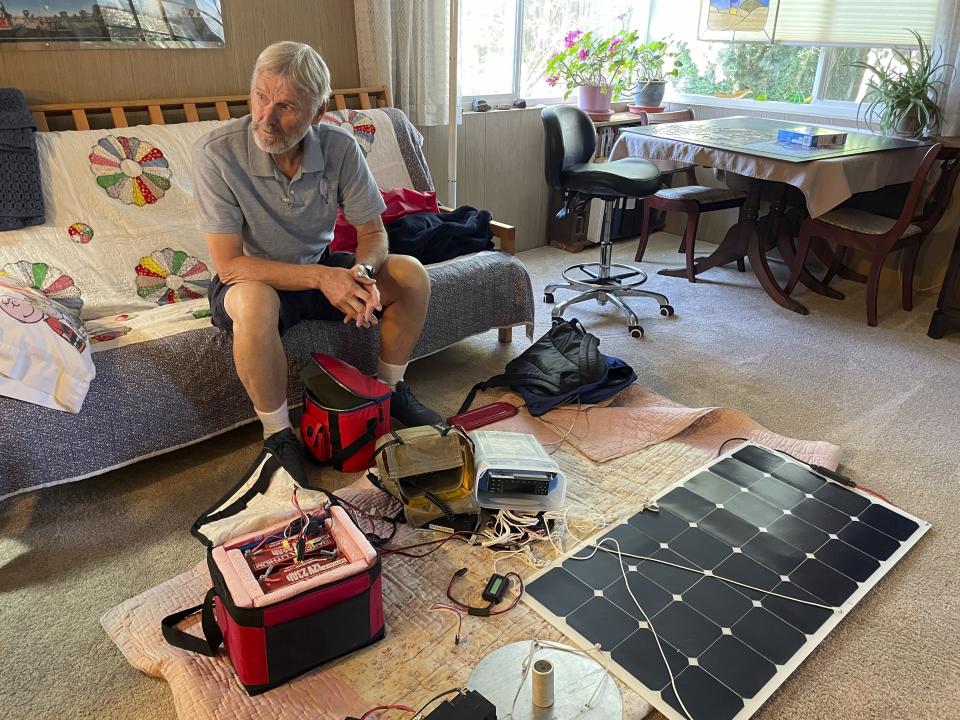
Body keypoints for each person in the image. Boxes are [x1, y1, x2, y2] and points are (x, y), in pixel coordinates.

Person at [193, 41, 442, 482]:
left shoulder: (340, 148)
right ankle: (277, 435)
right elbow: (229, 264)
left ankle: (387, 392)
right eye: (260, 97)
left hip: (322, 265)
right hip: (253, 277)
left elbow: (373, 233)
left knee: (410, 274)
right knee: (254, 303)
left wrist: (361, 276)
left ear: (319, 109)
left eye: (286, 106)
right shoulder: (217, 153)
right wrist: (323, 278)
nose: (266, 117)